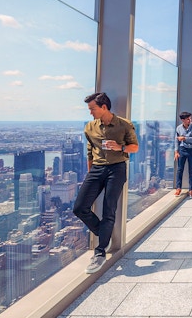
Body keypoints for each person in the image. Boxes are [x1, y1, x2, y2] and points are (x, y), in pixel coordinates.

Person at [73, 92, 139, 274]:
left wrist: (120, 147)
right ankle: (104, 234)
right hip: (96, 170)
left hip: (116, 169)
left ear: (103, 107)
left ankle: (100, 252)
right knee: (79, 208)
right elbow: (90, 151)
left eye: (92, 109)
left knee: (109, 210)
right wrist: (90, 173)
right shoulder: (90, 127)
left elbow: (135, 147)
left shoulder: (124, 125)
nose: (90, 112)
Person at [174, 111, 192, 198]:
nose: (190, 120)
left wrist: (184, 138)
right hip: (182, 150)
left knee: (191, 171)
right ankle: (178, 188)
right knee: (180, 170)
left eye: (190, 118)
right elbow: (176, 140)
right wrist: (176, 152)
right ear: (183, 120)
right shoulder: (178, 128)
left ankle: (191, 190)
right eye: (188, 119)